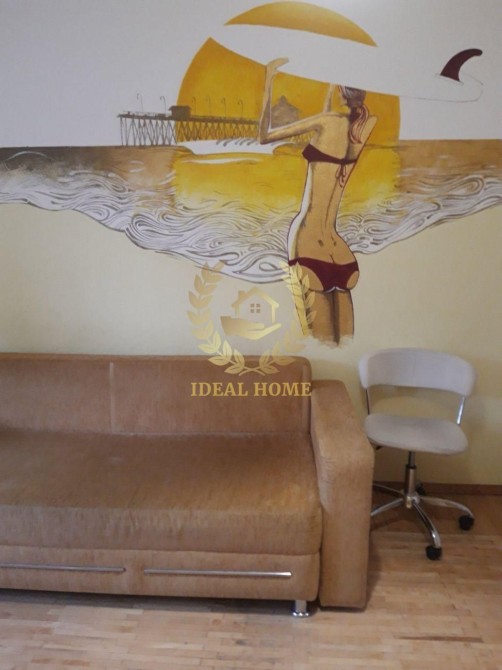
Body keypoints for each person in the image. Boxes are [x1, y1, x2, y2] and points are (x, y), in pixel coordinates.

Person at [259, 58, 377, 343]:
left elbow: (264, 136)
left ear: (340, 90)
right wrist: (332, 89)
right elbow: (336, 126)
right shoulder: (365, 126)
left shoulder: (325, 122)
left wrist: (268, 79)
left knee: (321, 343)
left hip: (307, 242)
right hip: (338, 250)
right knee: (344, 344)